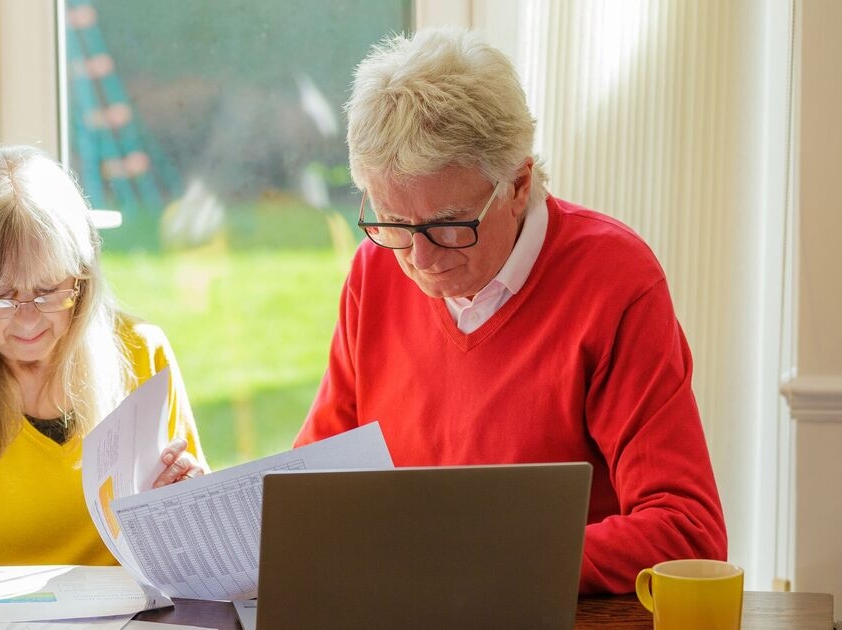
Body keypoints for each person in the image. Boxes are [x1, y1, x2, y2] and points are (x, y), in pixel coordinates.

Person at [294, 27, 727, 594]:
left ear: (519, 183)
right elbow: (311, 485)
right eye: (395, 222)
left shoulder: (614, 280)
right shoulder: (375, 271)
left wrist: (489, 560)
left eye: (449, 224)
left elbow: (687, 534)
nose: (420, 259)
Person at [0, 145, 207, 578]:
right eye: (1, 295)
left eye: (48, 290)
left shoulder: (139, 351)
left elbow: (191, 550)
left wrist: (189, 500)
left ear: (82, 277)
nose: (28, 320)